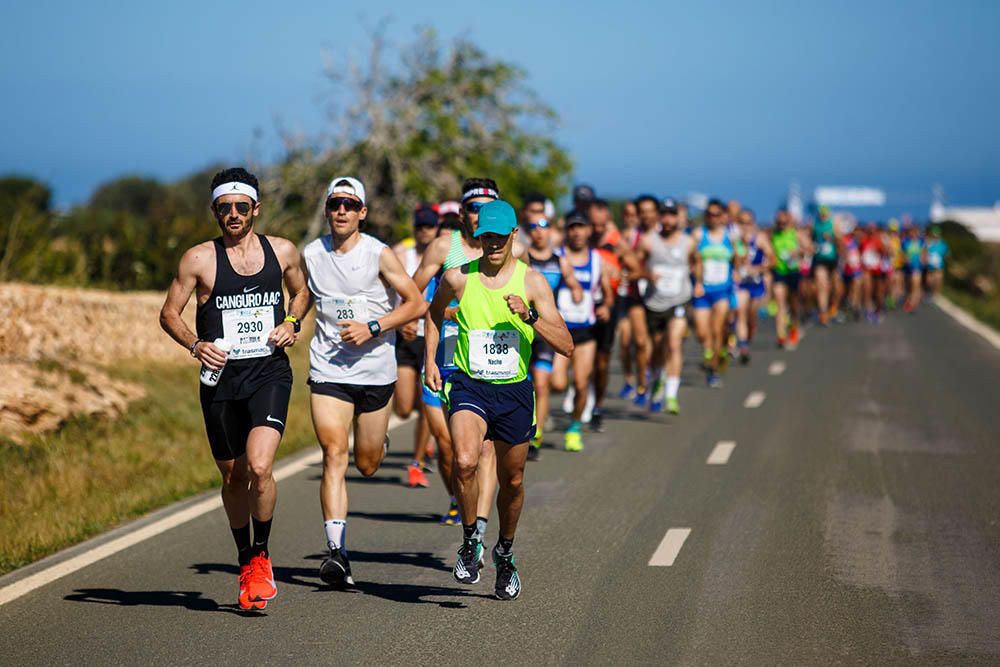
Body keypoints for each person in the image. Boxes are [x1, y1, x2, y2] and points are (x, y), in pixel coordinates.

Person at [159, 167, 309, 611]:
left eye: (241, 207)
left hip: (268, 374)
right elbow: (169, 313)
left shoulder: (281, 251)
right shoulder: (199, 260)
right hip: (221, 382)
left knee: (260, 467)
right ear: (215, 212)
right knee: (233, 476)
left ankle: (261, 556)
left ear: (256, 209)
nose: (233, 215)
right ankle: (244, 558)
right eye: (224, 208)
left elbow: (302, 293)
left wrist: (292, 322)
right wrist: (196, 344)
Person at [425, 199, 573, 600]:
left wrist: (529, 317)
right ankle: (471, 540)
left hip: (514, 391)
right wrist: (431, 361)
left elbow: (566, 345)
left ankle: (505, 552)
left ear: (513, 236)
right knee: (466, 460)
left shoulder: (533, 283)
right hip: (470, 385)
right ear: (477, 237)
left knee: (514, 480)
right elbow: (433, 314)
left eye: (499, 236)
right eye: (485, 235)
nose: (492, 243)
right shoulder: (458, 278)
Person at [303, 176, 427, 588]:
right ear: (327, 209)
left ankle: (376, 444)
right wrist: (289, 320)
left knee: (367, 464)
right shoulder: (312, 253)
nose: (341, 210)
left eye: (349, 204)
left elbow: (416, 303)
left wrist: (374, 326)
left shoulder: (379, 254)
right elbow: (303, 297)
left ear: (362, 212)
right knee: (333, 453)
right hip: (329, 370)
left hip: (375, 371)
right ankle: (337, 552)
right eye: (335, 203)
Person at [411, 179, 509, 528]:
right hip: (442, 359)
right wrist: (426, 315)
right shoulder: (443, 248)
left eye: (487, 208)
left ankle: (478, 525)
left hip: (486, 364)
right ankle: (458, 495)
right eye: (473, 208)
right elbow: (411, 293)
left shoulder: (510, 249)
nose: (480, 215)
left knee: (483, 449)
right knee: (446, 444)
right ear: (462, 212)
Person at [551, 210, 611, 451]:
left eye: (581, 227)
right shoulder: (557, 257)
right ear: (567, 230)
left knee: (582, 382)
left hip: (586, 332)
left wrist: (606, 305)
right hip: (559, 331)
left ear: (589, 231)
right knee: (556, 382)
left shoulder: (597, 260)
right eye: (572, 227)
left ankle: (574, 427)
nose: (576, 232)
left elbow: (607, 291)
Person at [524, 209, 582, 460]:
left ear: (551, 231)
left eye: (543, 225)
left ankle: (536, 434)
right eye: (533, 226)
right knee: (527, 384)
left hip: (545, 331)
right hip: (523, 328)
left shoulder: (561, 261)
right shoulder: (523, 259)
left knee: (543, 383)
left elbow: (574, 284)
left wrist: (578, 292)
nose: (538, 230)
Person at [393, 204, 441, 488]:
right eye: (420, 226)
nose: (424, 231)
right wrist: (401, 321)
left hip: (431, 337)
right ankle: (426, 445)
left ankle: (417, 462)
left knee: (426, 404)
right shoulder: (401, 253)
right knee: (402, 408)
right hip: (406, 337)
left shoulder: (448, 256)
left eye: (429, 226)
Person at [637, 197, 695, 414]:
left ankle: (671, 394)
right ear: (660, 217)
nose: (669, 219)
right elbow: (636, 266)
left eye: (673, 214)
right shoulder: (649, 241)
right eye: (665, 214)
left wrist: (696, 282)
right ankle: (658, 377)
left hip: (679, 300)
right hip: (654, 302)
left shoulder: (688, 243)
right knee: (658, 348)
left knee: (674, 343)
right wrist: (646, 275)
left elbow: (696, 263)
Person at [692, 199, 740, 387]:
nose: (713, 218)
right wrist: (696, 280)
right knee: (702, 332)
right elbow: (693, 258)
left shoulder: (730, 236)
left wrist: (736, 269)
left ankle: (713, 371)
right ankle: (709, 351)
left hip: (722, 289)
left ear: (723, 217)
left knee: (717, 328)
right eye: (709, 214)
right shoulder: (698, 235)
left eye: (717, 214)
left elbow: (737, 257)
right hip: (703, 289)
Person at [735, 209, 773, 364]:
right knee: (740, 312)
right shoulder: (734, 239)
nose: (745, 226)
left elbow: (772, 260)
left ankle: (750, 330)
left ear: (753, 223)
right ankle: (743, 346)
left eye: (748, 222)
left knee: (751, 314)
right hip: (741, 283)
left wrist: (758, 269)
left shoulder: (760, 238)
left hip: (756, 283)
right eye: (742, 222)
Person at [770, 208, 804, 348]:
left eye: (784, 222)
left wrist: (797, 252)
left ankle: (794, 325)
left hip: (793, 271)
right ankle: (781, 335)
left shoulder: (796, 234)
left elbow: (808, 248)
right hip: (779, 271)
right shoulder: (772, 235)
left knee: (793, 303)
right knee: (780, 303)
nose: (781, 225)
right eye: (779, 222)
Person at [812, 206, 841, 326]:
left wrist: (832, 238)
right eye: (821, 213)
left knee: (836, 287)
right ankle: (823, 313)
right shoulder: (815, 225)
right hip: (820, 259)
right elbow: (811, 240)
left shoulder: (833, 224)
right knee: (821, 285)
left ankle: (833, 307)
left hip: (833, 259)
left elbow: (841, 241)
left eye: (825, 213)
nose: (822, 216)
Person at [901, 223, 925, 312]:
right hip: (907, 268)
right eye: (911, 232)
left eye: (915, 232)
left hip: (917, 267)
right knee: (908, 286)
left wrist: (923, 259)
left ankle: (913, 303)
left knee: (915, 285)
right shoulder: (905, 242)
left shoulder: (921, 242)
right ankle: (909, 299)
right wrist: (905, 259)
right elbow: (902, 254)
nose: (913, 234)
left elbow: (924, 253)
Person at [924, 225, 949, 297]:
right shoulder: (928, 243)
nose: (935, 236)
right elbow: (924, 252)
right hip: (930, 266)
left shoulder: (943, 244)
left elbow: (947, 254)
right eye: (934, 234)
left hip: (939, 266)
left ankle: (936, 294)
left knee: (938, 279)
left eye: (936, 234)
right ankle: (930, 291)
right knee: (929, 281)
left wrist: (944, 258)